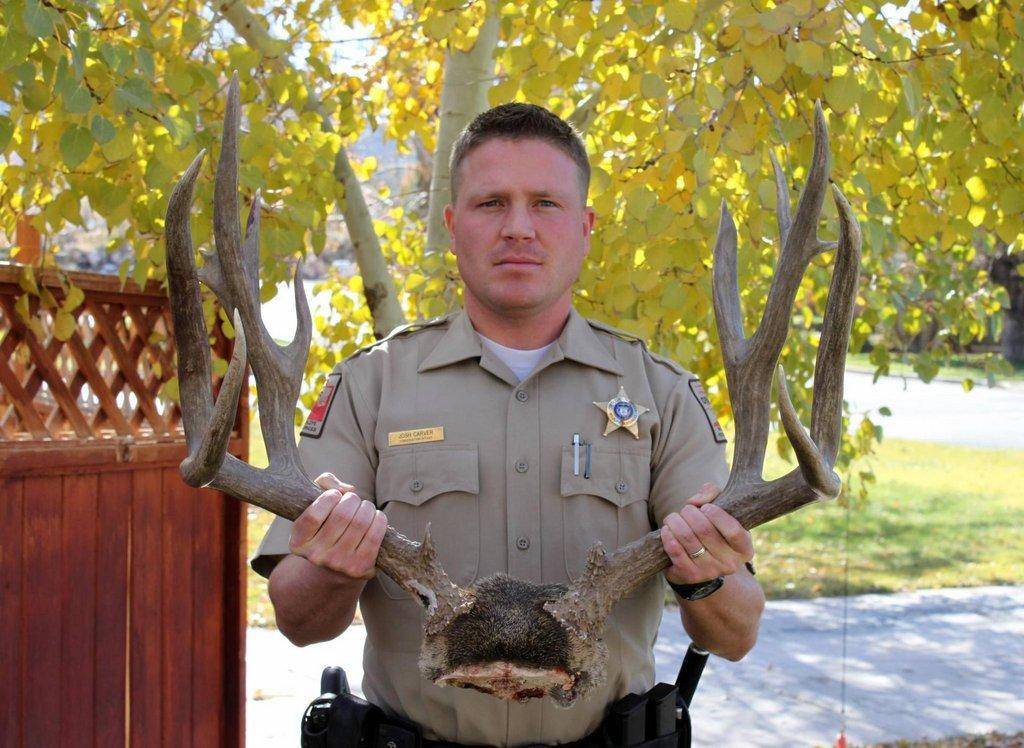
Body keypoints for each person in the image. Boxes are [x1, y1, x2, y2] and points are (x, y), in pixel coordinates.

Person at [252, 103, 765, 745]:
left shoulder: (662, 394)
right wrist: (332, 564)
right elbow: (301, 622)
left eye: (545, 204)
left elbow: (737, 634)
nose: (518, 228)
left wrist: (707, 574)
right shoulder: (370, 387)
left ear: (584, 227)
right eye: (491, 203)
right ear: (452, 225)